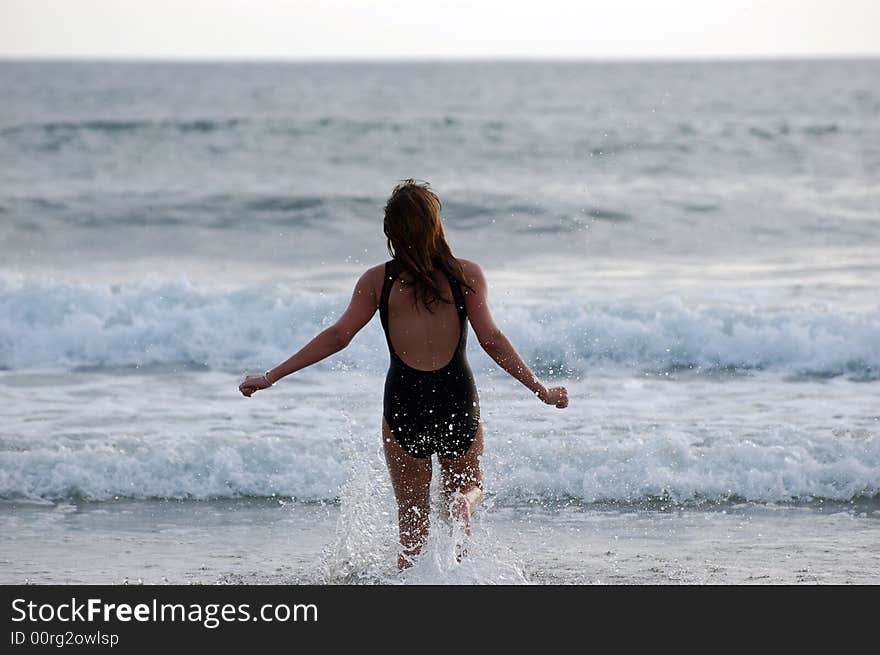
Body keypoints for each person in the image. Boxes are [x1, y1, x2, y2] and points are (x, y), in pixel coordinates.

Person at [239, 179, 569, 569]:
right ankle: (465, 510)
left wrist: (272, 375)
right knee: (467, 489)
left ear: (391, 232)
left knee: (411, 532)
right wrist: (540, 389)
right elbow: (492, 339)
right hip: (456, 396)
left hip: (403, 403)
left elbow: (339, 336)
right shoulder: (467, 276)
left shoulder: (378, 281)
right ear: (436, 225)